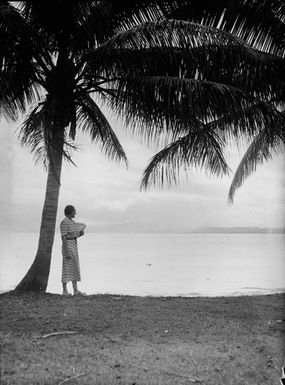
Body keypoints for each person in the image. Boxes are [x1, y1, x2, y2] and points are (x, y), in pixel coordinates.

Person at [60, 205, 86, 296]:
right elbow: (63, 237)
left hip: (74, 247)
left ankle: (75, 290)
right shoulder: (64, 222)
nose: (75, 213)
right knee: (67, 268)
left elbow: (73, 236)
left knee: (74, 268)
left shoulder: (72, 222)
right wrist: (66, 251)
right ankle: (65, 291)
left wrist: (80, 235)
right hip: (68, 247)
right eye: (74, 211)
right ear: (70, 212)